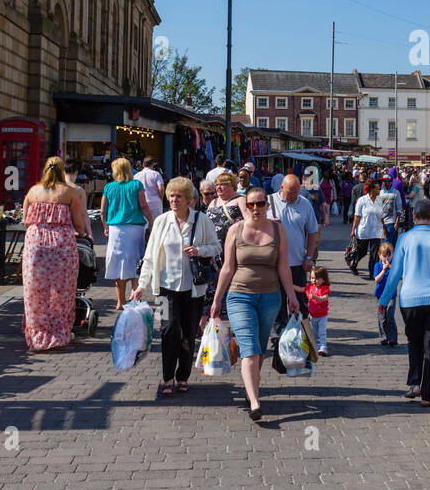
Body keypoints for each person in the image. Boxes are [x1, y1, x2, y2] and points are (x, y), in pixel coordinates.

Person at [210, 186, 300, 421]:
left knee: (259, 348)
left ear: (267, 206)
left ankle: (252, 389)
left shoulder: (278, 231)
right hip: (239, 296)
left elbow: (283, 266)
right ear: (245, 206)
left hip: (270, 297)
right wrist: (216, 299)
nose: (256, 208)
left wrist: (292, 297)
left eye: (260, 204)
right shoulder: (235, 230)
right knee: (249, 347)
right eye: (251, 204)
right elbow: (227, 268)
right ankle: (254, 401)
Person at [132, 178, 220, 395]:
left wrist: (199, 250)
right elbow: (150, 256)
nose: (173, 200)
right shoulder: (161, 221)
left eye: (178, 196)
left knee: (189, 333)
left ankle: (183, 376)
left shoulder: (201, 220)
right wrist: (141, 285)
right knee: (168, 330)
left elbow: (216, 246)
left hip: (193, 289)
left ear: (189, 199)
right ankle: (167, 376)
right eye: (171, 196)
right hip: (165, 288)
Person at [378, 197, 430, 407]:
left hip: (410, 299)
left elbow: (395, 273)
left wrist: (385, 299)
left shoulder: (404, 238)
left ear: (413, 216)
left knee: (414, 341)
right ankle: (428, 395)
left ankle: (415, 383)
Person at [21, 157, 88, 352]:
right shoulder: (69, 192)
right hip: (62, 245)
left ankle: (36, 334)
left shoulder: (33, 191)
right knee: (62, 290)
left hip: (35, 244)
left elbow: (26, 220)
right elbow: (78, 222)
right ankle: (59, 333)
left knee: (35, 291)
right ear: (62, 171)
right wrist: (82, 233)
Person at [267, 175, 321, 346]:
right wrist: (268, 223)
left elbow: (313, 232)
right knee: (277, 302)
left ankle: (302, 333)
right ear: (281, 187)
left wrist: (309, 257)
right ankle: (278, 337)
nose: (293, 196)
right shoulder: (268, 202)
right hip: (273, 263)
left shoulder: (304, 203)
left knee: (299, 301)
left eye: (296, 192)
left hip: (297, 262)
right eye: (290, 192)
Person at [101, 158, 153, 312]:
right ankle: (135, 297)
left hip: (115, 229)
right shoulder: (136, 185)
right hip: (134, 229)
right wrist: (151, 221)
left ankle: (120, 301)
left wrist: (105, 227)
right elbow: (143, 205)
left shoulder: (109, 187)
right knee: (135, 262)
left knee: (118, 265)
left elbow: (103, 211)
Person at [351, 180, 384, 278]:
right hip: (364, 230)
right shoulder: (362, 200)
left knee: (375, 254)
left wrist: (384, 228)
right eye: (377, 189)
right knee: (362, 251)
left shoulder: (379, 200)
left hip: (376, 230)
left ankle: (372, 273)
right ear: (371, 189)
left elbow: (382, 216)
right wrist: (353, 230)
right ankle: (353, 263)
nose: (379, 190)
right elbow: (357, 216)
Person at [373, 242, 398, 346]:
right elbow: (377, 280)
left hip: (391, 294)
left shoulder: (394, 266)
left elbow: (397, 278)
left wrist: (392, 268)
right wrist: (383, 270)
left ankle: (393, 338)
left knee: (390, 315)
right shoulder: (378, 265)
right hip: (380, 294)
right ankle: (384, 337)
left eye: (389, 255)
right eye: (384, 255)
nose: (387, 258)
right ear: (380, 255)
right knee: (382, 316)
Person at [305, 266, 331, 356]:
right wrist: (291, 286)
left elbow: (324, 298)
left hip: (322, 316)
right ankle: (316, 346)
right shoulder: (310, 287)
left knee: (322, 332)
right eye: (312, 278)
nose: (313, 280)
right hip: (312, 315)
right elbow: (301, 289)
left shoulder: (325, 288)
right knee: (314, 332)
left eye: (316, 279)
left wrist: (315, 297)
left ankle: (323, 347)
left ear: (323, 279)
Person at [134, 157, 165, 223]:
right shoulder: (156, 174)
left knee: (143, 227)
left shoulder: (136, 175)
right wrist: (160, 198)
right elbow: (161, 189)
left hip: (141, 203)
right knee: (156, 225)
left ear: (143, 165)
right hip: (155, 203)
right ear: (152, 164)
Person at [377, 175, 403, 249]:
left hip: (391, 221)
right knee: (385, 244)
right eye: (384, 181)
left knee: (387, 243)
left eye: (387, 181)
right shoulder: (380, 193)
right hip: (381, 223)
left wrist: (397, 222)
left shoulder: (395, 193)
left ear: (391, 182)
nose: (385, 183)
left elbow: (399, 208)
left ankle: (385, 259)